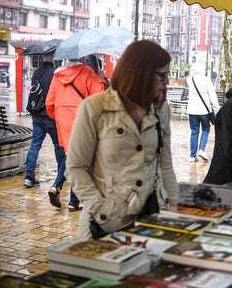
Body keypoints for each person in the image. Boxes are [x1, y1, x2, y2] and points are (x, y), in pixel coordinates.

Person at [65, 40, 179, 240]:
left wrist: (175, 210)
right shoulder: (94, 108)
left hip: (150, 220)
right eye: (162, 75)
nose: (166, 82)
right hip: (103, 225)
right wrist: (101, 208)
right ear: (140, 74)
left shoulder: (161, 110)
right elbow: (76, 167)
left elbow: (166, 165)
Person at [46, 57, 107, 211]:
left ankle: (67, 195)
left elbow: (49, 102)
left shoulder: (58, 74)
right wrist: (100, 79)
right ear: (82, 57)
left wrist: (57, 116)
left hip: (62, 115)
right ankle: (70, 198)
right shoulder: (86, 71)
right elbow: (98, 97)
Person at [23, 51, 67, 191]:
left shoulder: (36, 73)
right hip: (51, 115)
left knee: (35, 145)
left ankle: (29, 177)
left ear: (43, 57)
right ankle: (61, 176)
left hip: (37, 115)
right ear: (54, 58)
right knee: (58, 145)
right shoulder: (55, 73)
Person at [186, 62, 220, 162]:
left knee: (194, 132)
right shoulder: (206, 80)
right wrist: (217, 109)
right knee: (206, 129)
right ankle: (201, 149)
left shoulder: (189, 80)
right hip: (205, 111)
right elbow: (212, 96)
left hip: (192, 110)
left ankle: (192, 156)